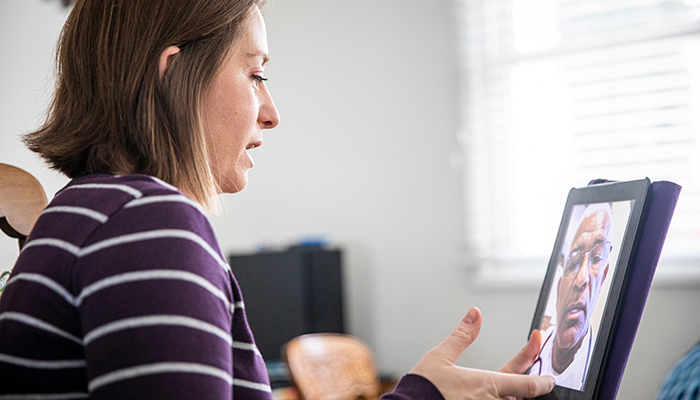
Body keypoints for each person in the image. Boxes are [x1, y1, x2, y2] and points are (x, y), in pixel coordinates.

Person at [0, 0, 555, 398]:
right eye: (255, 74)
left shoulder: (86, 213)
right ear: (173, 79)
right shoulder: (149, 225)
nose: (271, 111)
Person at [529, 203, 614, 390]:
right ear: (559, 287)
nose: (581, 279)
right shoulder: (534, 350)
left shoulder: (601, 366)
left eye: (597, 258)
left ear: (603, 279)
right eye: (574, 261)